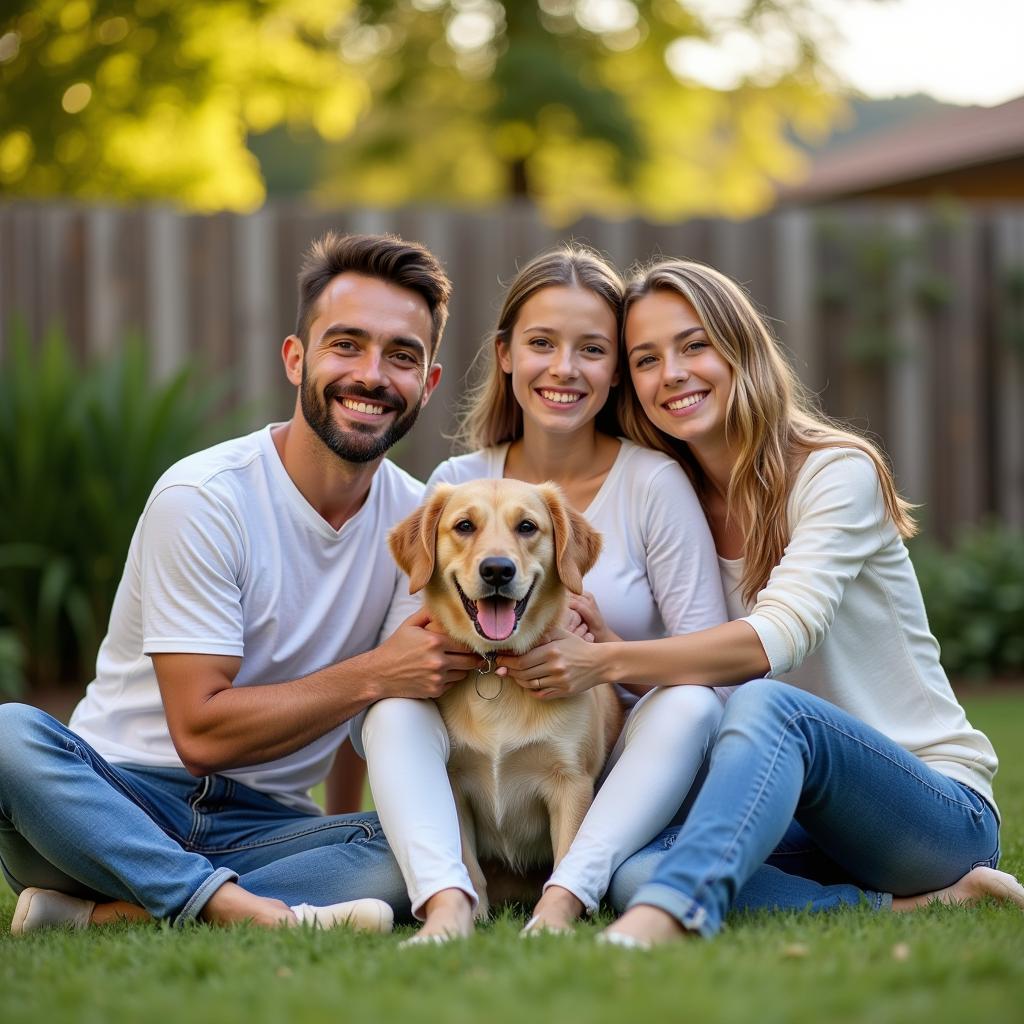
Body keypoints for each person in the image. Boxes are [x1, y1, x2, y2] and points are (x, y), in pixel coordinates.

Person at [495, 257, 1024, 947]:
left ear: (741, 348)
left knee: (768, 705)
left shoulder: (835, 471)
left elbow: (774, 640)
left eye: (694, 345)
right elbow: (684, 678)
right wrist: (596, 647)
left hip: (927, 809)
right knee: (633, 869)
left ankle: (671, 916)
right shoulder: (671, 495)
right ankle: (919, 906)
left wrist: (608, 660)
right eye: (647, 358)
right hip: (796, 810)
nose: (672, 374)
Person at [0, 231, 486, 935]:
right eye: (346, 345)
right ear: (297, 359)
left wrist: (346, 821)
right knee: (9, 734)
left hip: (269, 827)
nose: (373, 375)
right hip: (115, 805)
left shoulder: (423, 524)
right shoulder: (205, 497)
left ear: (428, 383)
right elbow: (200, 731)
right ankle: (236, 907)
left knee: (430, 849)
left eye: (402, 356)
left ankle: (113, 914)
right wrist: (377, 673)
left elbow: (375, 718)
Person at [354, 246, 729, 943]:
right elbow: (398, 650)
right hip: (476, 722)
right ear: (505, 354)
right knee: (393, 711)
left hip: (621, 766)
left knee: (690, 702)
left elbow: (714, 670)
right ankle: (452, 902)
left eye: (592, 348)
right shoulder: (454, 480)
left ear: (616, 368)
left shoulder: (653, 483)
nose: (564, 368)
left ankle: (569, 892)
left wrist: (607, 657)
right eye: (541, 344)